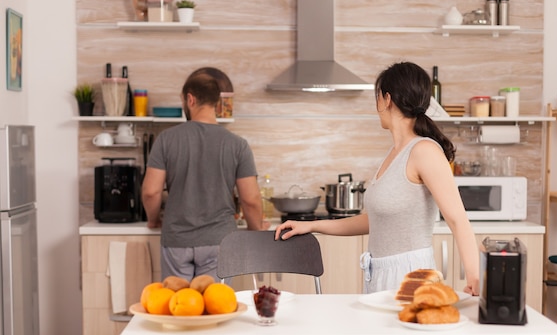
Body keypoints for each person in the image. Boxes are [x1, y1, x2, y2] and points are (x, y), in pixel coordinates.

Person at [275, 62, 480, 295]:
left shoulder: (424, 151)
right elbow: (377, 220)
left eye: (377, 98)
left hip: (411, 277)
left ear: (387, 99)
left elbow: (457, 219)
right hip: (380, 273)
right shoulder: (394, 154)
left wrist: (474, 275)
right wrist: (312, 225)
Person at [142, 70, 267, 281]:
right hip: (219, 241)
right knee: (214, 309)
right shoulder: (237, 145)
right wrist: (256, 227)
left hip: (177, 241)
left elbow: (151, 192)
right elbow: (251, 199)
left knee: (179, 307)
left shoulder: (166, 139)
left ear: (190, 99)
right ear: (217, 104)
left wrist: (153, 220)